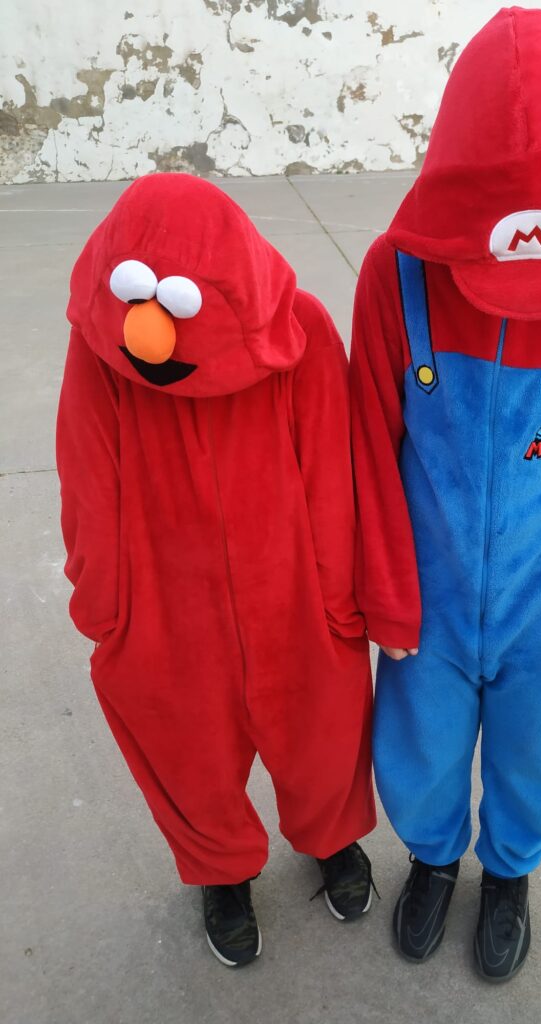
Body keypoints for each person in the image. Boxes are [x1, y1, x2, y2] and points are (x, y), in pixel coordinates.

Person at [349, 7, 541, 984]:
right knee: (419, 746)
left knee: (539, 754)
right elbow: (367, 447)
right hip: (431, 595)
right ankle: (435, 857)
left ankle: (510, 872)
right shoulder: (395, 273)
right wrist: (388, 595)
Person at [57, 173, 377, 968]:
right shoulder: (105, 345)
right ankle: (219, 867)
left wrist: (338, 594)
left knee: (323, 722)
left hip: (289, 575)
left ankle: (332, 837)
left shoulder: (299, 329)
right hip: (164, 586)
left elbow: (330, 466)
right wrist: (104, 600)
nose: (153, 334)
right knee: (184, 740)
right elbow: (88, 470)